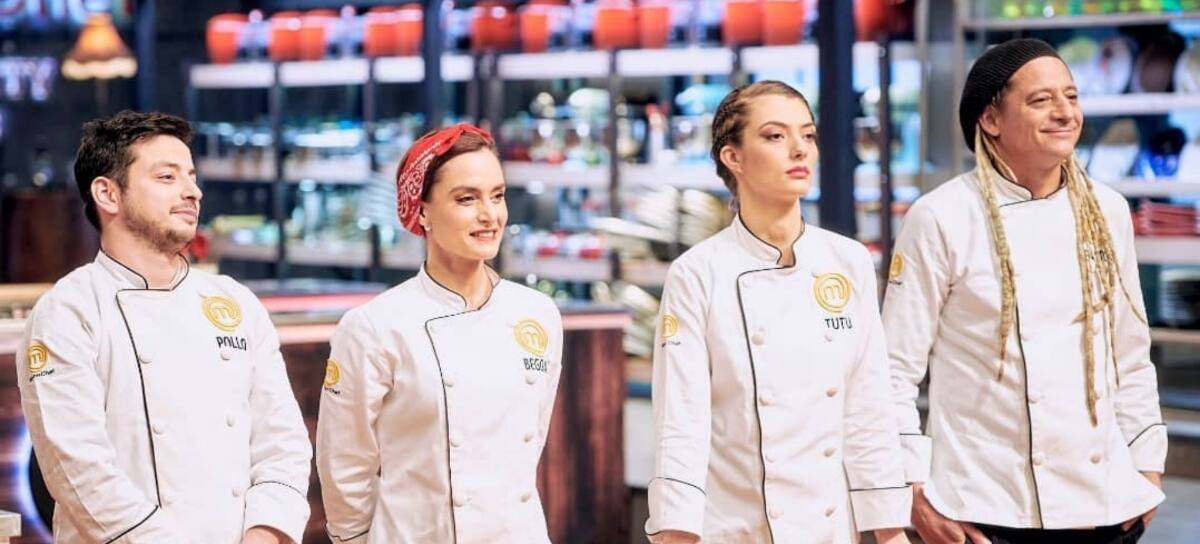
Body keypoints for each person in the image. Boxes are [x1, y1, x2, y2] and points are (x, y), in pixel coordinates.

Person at [884, 38, 1165, 544]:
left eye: (1071, 97)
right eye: (1041, 100)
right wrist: (912, 490)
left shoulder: (1108, 210)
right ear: (991, 119)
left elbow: (1130, 352)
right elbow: (893, 370)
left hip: (1104, 505)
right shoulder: (942, 217)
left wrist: (1147, 467)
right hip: (985, 508)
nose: (1065, 113)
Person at [16, 111, 312, 543]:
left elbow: (283, 442)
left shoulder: (235, 303)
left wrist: (264, 533)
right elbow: (77, 468)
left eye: (191, 177)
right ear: (108, 194)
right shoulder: (68, 311)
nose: (192, 192)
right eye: (167, 177)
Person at [644, 81, 912, 544]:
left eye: (807, 135)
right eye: (774, 136)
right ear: (733, 157)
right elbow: (681, 421)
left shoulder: (847, 261)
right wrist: (676, 532)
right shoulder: (698, 273)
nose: (799, 149)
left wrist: (890, 532)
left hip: (831, 528)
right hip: (736, 528)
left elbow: (868, 406)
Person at [316, 124, 563, 543]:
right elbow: (344, 464)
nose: (490, 215)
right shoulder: (373, 327)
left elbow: (530, 444)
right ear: (422, 211)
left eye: (497, 196)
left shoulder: (537, 315)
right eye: (467, 199)